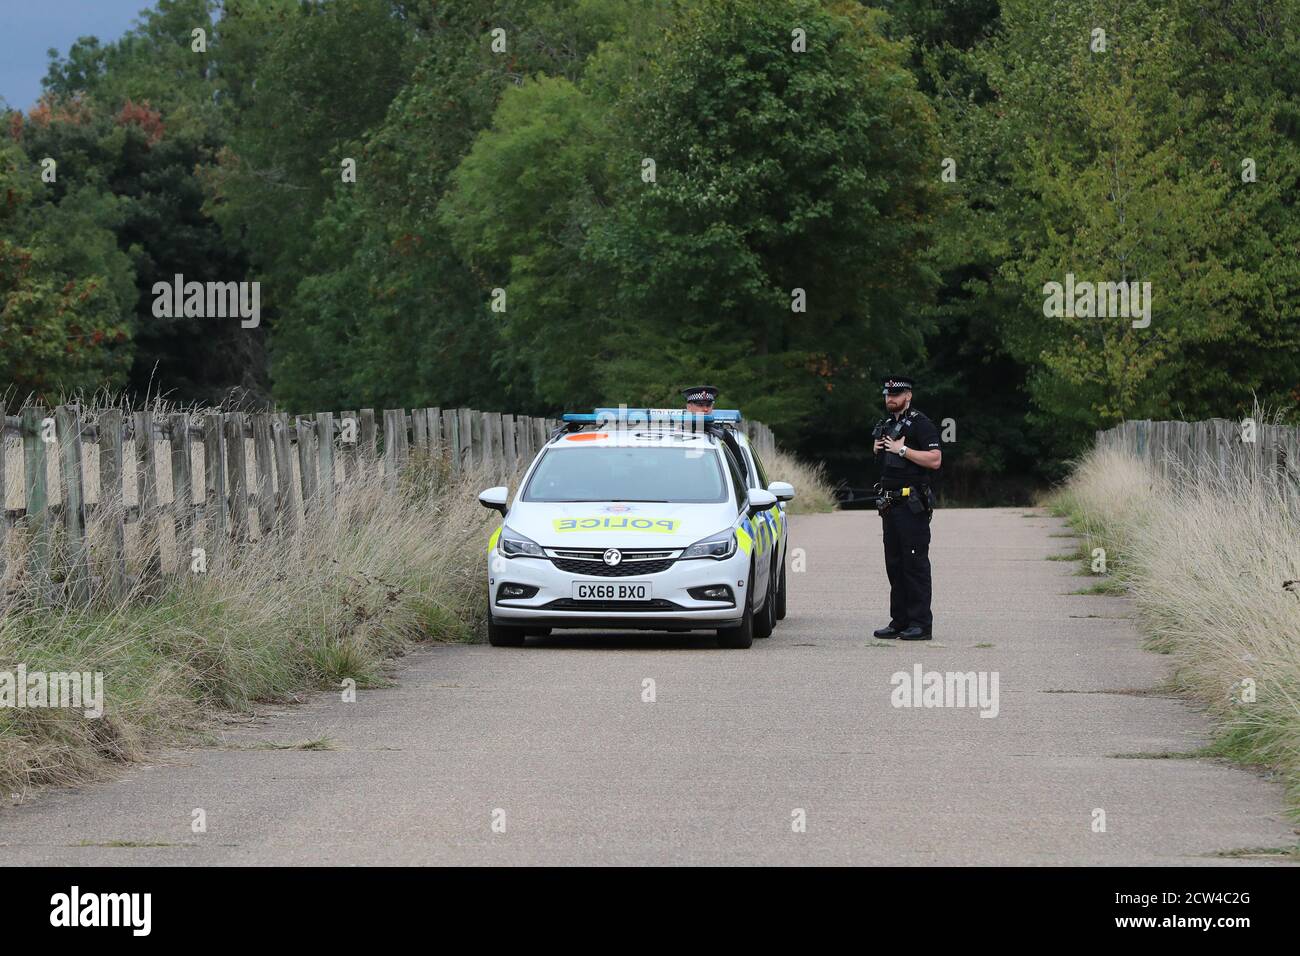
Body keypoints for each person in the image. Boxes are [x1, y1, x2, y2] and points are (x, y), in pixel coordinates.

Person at [870, 376, 942, 641]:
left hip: (912, 506)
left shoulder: (922, 424)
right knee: (895, 565)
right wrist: (877, 448)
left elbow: (935, 459)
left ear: (908, 396)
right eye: (887, 394)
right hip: (890, 505)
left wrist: (903, 451)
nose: (890, 398)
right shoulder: (887, 425)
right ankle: (899, 621)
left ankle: (921, 624)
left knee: (915, 565)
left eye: (896, 394)